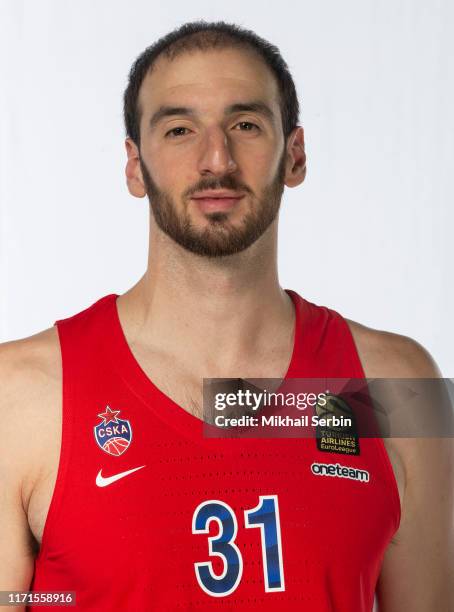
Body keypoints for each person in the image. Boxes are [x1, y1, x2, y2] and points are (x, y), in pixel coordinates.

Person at [0, 20, 452, 612]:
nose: (216, 158)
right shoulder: (21, 395)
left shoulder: (394, 387)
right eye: (180, 129)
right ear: (135, 167)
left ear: (295, 154)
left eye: (245, 124)